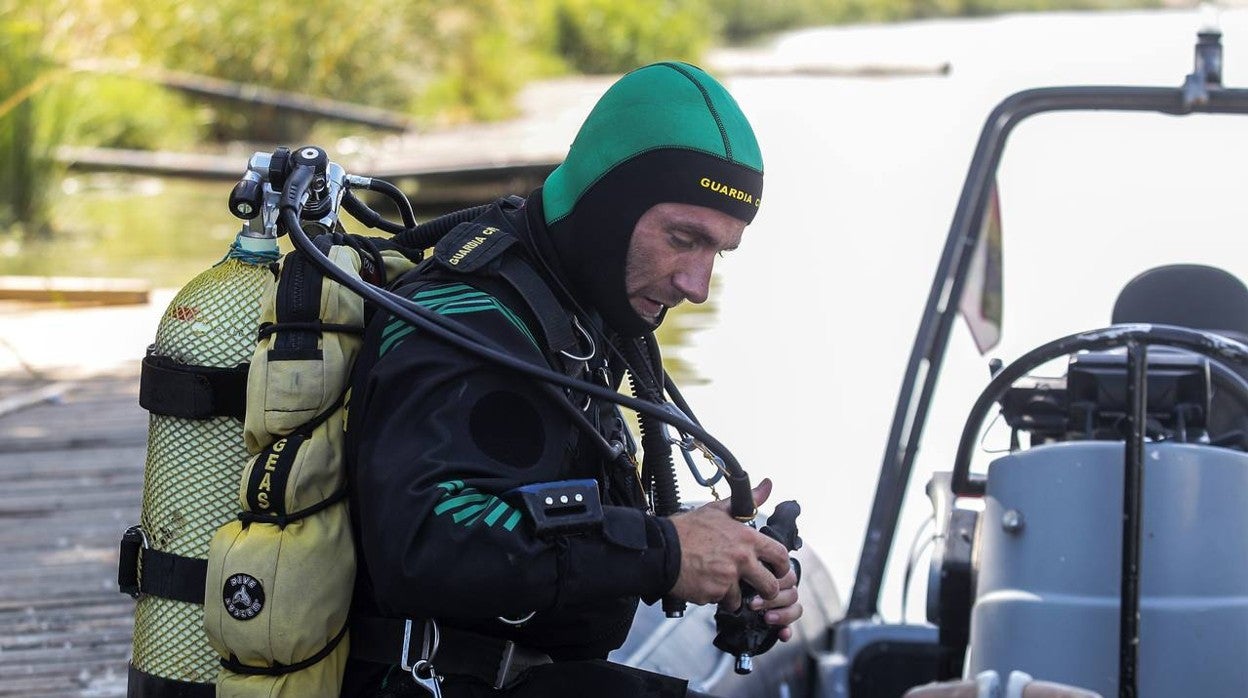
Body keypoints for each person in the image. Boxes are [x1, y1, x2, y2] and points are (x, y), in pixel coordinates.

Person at [341, 62, 802, 697]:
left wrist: (713, 547)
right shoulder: (467, 320)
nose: (696, 285)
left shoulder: (575, 311)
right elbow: (423, 541)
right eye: (683, 239)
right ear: (612, 203)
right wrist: (663, 551)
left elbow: (541, 504)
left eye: (717, 253)